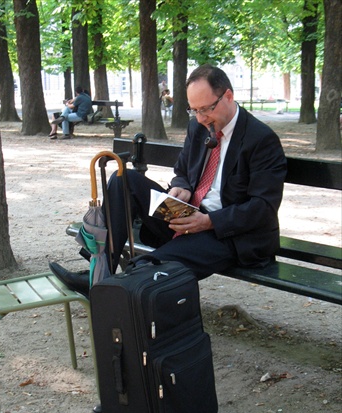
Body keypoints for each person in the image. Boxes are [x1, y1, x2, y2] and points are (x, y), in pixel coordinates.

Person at [49, 64, 287, 298]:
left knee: (148, 266)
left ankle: (106, 293)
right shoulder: (199, 126)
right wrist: (180, 186)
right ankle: (99, 273)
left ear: (228, 96)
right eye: (194, 110)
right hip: (187, 214)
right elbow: (182, 170)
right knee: (125, 179)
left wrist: (207, 221)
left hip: (228, 234)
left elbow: (263, 209)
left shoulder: (261, 139)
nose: (201, 118)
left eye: (206, 109)